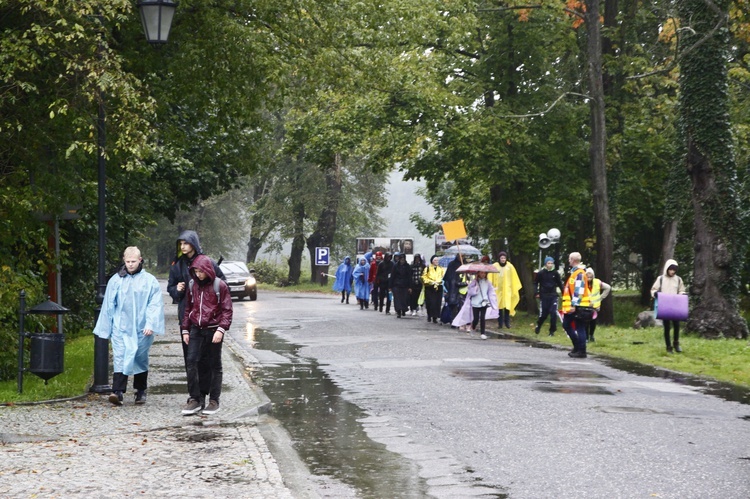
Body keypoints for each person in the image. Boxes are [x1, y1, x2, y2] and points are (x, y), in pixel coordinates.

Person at [94, 246, 165, 406]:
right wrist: (107, 327)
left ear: (140, 260)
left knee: (140, 357)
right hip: (121, 326)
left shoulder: (149, 281)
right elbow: (108, 305)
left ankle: (140, 391)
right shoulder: (116, 280)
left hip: (142, 327)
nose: (130, 265)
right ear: (124, 261)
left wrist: (150, 323)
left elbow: (154, 304)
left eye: (133, 261)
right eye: (128, 262)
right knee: (120, 356)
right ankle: (117, 391)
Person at [167, 230, 225, 408]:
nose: (183, 246)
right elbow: (171, 289)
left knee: (207, 359)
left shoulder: (208, 262)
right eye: (181, 244)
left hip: (209, 319)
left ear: (193, 243)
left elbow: (222, 285)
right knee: (190, 359)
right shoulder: (177, 266)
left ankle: (206, 394)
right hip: (188, 317)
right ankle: (195, 396)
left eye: (186, 243)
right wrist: (177, 289)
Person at [181, 254, 233, 415]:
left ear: (208, 270)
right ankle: (195, 398)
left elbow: (227, 310)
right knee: (192, 362)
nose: (198, 274)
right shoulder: (192, 285)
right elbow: (188, 308)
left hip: (214, 329)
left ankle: (214, 400)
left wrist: (221, 329)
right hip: (196, 328)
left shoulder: (220, 286)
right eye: (195, 271)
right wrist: (185, 329)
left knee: (214, 365)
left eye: (201, 271)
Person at [650, 259, 687, 353]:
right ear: (667, 269)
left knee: (677, 325)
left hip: (675, 305)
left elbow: (681, 290)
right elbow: (653, 289)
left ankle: (676, 343)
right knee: (667, 327)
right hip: (665, 305)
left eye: (674, 270)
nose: (672, 271)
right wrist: (655, 294)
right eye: (671, 269)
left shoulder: (678, 279)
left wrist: (682, 294)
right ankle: (668, 346)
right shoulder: (661, 279)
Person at [451, 271, 499, 339]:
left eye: (484, 273)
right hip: (475, 302)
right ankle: (473, 327)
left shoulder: (488, 282)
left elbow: (490, 292)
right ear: (478, 273)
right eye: (481, 273)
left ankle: (483, 333)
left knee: (482, 318)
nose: (483, 274)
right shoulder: (474, 282)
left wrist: (493, 302)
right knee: (476, 318)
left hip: (484, 302)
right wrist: (474, 288)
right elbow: (470, 291)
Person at [561, 252, 592, 358]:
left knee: (579, 327)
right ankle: (578, 347)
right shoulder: (576, 272)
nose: (569, 261)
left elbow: (579, 290)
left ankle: (581, 350)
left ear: (573, 260)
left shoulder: (579, 273)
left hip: (578, 306)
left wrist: (574, 305)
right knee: (569, 325)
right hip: (578, 305)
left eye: (569, 259)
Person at [489, 251, 522, 329]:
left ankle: (507, 323)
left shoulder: (510, 266)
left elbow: (514, 277)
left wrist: (513, 287)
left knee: (507, 306)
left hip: (507, 290)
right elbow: (490, 276)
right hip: (498, 290)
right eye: (501, 258)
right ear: (499, 258)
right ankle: (500, 324)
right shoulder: (495, 266)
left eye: (504, 258)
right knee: (499, 307)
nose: (503, 259)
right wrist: (491, 286)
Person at [534, 256, 564, 336]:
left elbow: (560, 284)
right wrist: (536, 292)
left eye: (551, 263)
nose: (550, 265)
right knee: (544, 314)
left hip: (553, 295)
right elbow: (536, 283)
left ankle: (552, 331)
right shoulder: (541, 273)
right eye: (548, 263)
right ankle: (539, 325)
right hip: (544, 296)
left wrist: (564, 293)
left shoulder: (555, 273)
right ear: (545, 264)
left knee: (553, 313)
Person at [585, 267, 611, 342]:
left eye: (590, 276)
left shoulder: (597, 282)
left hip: (595, 306)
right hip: (585, 305)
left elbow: (608, 287)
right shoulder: (583, 283)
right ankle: (586, 337)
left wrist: (601, 298)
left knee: (593, 322)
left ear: (593, 276)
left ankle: (591, 335)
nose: (589, 278)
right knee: (586, 322)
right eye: (587, 276)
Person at [422, 255, 445, 324]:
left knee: (437, 303)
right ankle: (429, 315)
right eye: (435, 260)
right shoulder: (428, 268)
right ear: (432, 261)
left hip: (438, 287)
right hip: (430, 287)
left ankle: (435, 317)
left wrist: (439, 281)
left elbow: (442, 276)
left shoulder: (440, 269)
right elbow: (424, 277)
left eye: (437, 260)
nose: (436, 262)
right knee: (430, 302)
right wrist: (430, 281)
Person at [390, 253, 412, 318]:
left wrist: (410, 286)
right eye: (401, 259)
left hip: (405, 285)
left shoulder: (408, 266)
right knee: (397, 299)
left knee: (404, 298)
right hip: (396, 285)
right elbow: (392, 276)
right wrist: (390, 286)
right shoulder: (395, 266)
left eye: (403, 259)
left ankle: (403, 310)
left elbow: (410, 277)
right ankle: (398, 311)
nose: (402, 260)